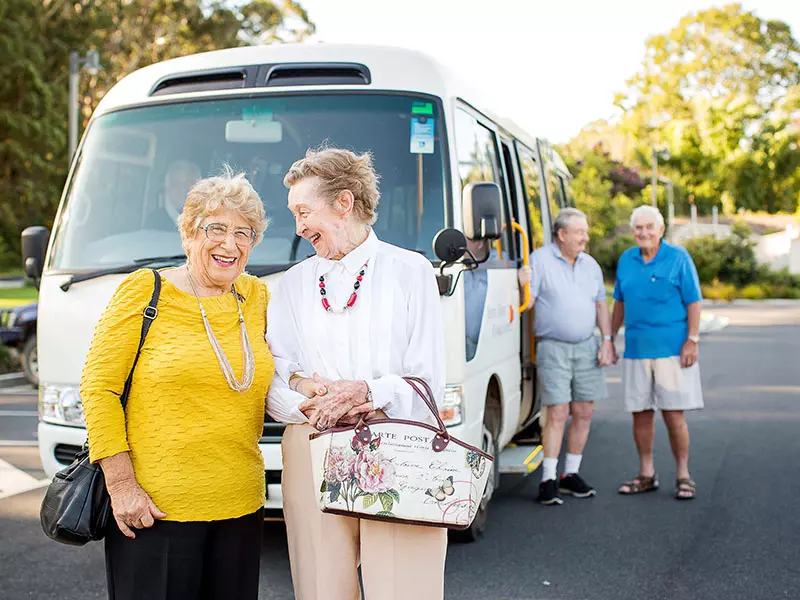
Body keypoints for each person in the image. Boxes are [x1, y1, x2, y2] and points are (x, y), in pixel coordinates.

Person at [80, 169, 272, 599]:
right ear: (188, 234)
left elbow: (282, 373)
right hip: (154, 510)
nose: (230, 244)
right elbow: (99, 387)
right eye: (216, 229)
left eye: (244, 232)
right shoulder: (145, 291)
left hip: (241, 506)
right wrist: (121, 485)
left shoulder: (256, 297)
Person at [266, 147, 447, 600]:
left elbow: (428, 382)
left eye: (304, 211)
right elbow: (275, 376)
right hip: (310, 444)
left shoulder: (411, 271)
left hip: (400, 443)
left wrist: (366, 392)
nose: (298, 227)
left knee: (404, 589)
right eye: (294, 214)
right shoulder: (292, 283)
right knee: (320, 588)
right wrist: (311, 403)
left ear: (344, 203)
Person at [518, 208, 615, 505]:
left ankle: (570, 474)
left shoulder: (591, 265)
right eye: (580, 232)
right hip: (553, 346)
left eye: (585, 232)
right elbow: (529, 300)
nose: (585, 238)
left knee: (585, 411)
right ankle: (548, 478)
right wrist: (521, 282)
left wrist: (607, 340)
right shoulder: (539, 260)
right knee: (557, 412)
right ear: (561, 235)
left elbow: (600, 305)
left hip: (587, 345)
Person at [611, 205, 703, 501]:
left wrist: (692, 339)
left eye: (649, 227)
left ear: (661, 230)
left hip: (672, 350)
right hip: (637, 349)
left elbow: (694, 301)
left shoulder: (678, 258)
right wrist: (609, 339)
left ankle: (683, 474)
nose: (643, 232)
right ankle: (647, 473)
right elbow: (619, 303)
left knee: (674, 415)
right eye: (638, 227)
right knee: (640, 414)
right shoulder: (626, 260)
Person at [144, 160, 202, 230]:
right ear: (167, 189)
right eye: (177, 184)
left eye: (189, 183)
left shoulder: (209, 221)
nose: (183, 189)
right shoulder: (153, 222)